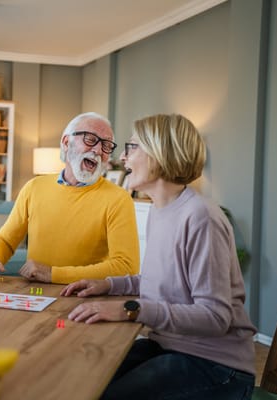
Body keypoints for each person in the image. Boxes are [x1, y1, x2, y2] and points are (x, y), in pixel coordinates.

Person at [60, 114, 256, 399]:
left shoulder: (201, 217)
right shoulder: (159, 209)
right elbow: (161, 279)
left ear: (161, 153)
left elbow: (216, 317)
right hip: (171, 346)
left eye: (133, 147)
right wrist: (108, 285)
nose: (123, 159)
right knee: (84, 374)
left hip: (218, 367)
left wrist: (130, 309)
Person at [0, 112, 139, 284]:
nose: (98, 150)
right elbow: (6, 240)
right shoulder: (34, 187)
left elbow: (126, 267)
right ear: (66, 143)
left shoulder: (118, 199)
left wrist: (53, 274)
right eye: (90, 139)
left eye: (106, 145)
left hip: (86, 299)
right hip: (36, 295)